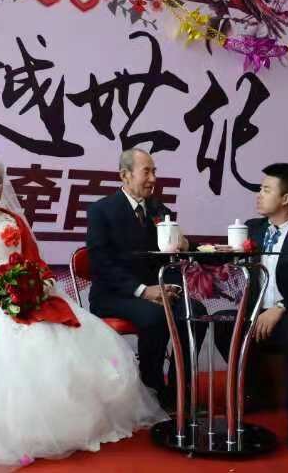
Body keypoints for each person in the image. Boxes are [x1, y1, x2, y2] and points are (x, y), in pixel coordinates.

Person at [0, 153, 165, 471]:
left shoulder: (12, 221)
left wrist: (42, 282)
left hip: (25, 297)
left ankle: (63, 425)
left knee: (61, 335)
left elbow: (36, 263)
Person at [215, 163, 288, 450]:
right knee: (222, 323)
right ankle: (255, 391)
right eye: (260, 189)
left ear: (285, 198)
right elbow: (231, 266)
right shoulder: (252, 230)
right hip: (256, 316)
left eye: (266, 190)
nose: (259, 195)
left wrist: (279, 307)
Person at [86, 148, 207, 407]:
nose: (153, 178)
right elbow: (101, 265)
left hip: (157, 291)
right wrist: (143, 290)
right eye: (146, 172)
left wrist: (187, 250)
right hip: (115, 295)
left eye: (154, 172)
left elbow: (169, 254)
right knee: (155, 317)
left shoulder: (159, 210)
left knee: (195, 312)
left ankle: (179, 388)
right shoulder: (101, 210)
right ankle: (151, 388)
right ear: (125, 175)